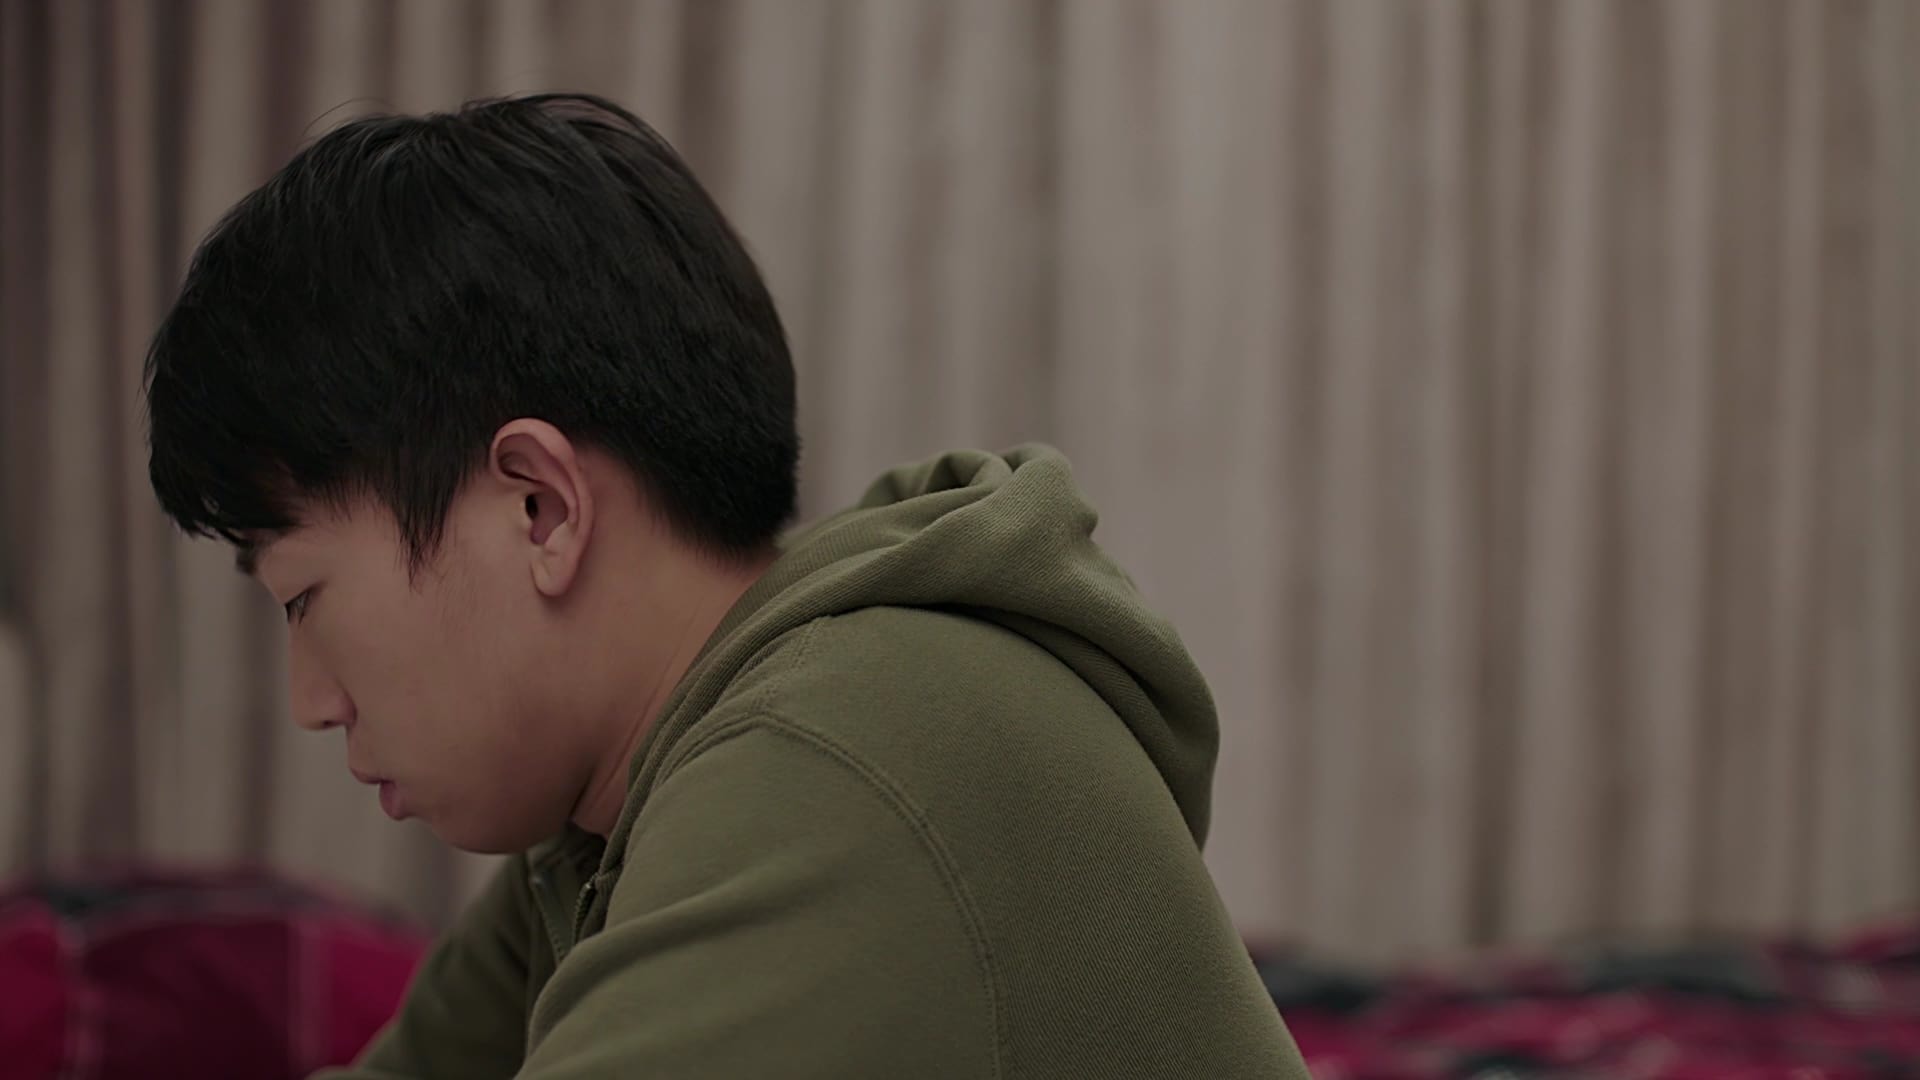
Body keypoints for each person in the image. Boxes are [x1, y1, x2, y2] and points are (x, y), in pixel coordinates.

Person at [142, 92, 1306, 1079]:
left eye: (303, 598)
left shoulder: (838, 753)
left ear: (539, 508)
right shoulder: (612, 817)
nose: (312, 700)